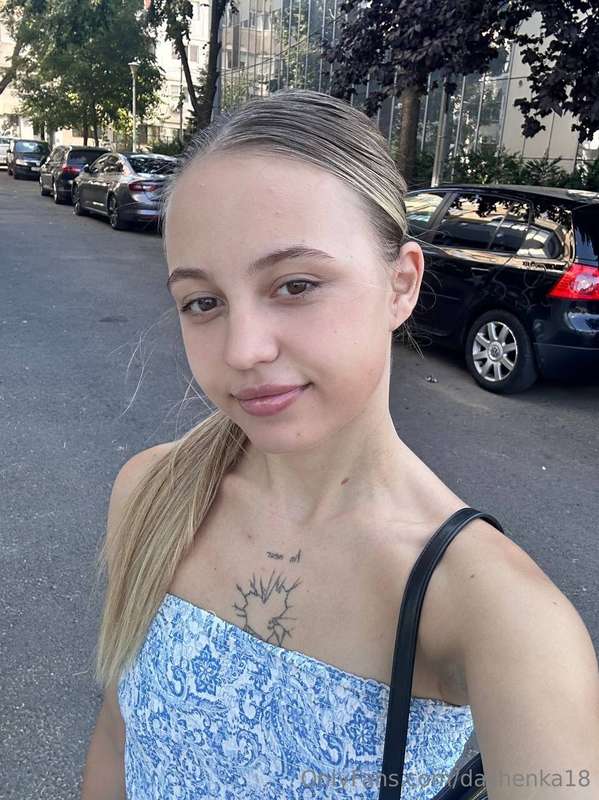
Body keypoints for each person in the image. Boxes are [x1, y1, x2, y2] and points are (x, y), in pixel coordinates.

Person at [81, 88, 599, 800]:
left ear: (400, 284)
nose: (243, 350)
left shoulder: (495, 611)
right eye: (203, 302)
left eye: (295, 285)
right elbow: (119, 740)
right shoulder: (152, 494)